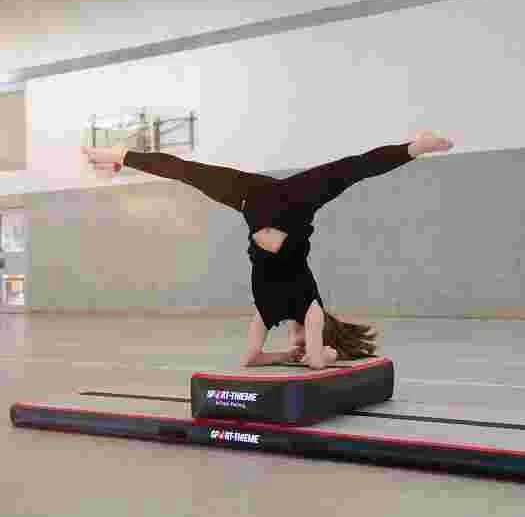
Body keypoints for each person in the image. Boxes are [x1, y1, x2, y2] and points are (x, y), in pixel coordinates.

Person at [82, 131, 453, 369]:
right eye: (302, 340)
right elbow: (316, 362)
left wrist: (281, 356)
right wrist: (326, 354)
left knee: (188, 171)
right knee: (352, 169)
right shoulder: (311, 308)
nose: (297, 342)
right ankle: (414, 147)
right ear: (320, 331)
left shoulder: (267, 309)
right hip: (295, 201)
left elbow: (251, 358)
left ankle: (118, 155)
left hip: (254, 198)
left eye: (297, 341)